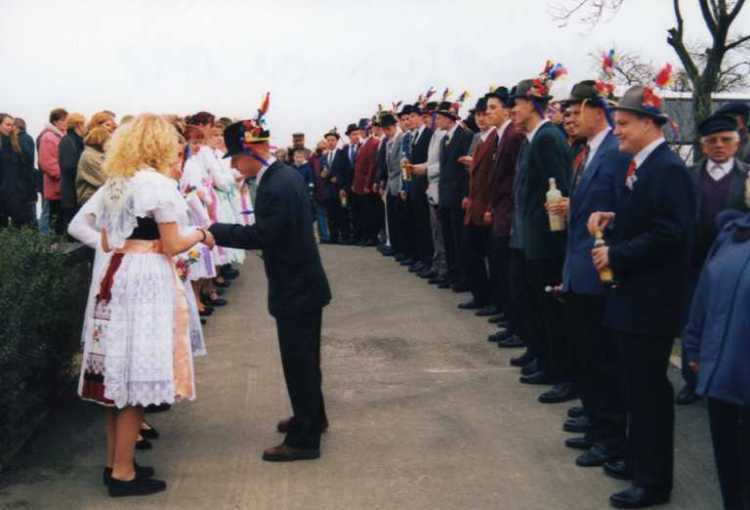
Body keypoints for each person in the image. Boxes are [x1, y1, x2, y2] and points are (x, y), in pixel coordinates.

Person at [76, 113, 209, 497]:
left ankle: (114, 462)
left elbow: (99, 238)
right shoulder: (158, 185)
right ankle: (123, 473)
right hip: (146, 280)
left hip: (114, 275)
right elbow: (172, 244)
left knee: (115, 371)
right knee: (136, 372)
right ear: (159, 144)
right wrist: (202, 233)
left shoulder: (117, 183)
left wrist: (126, 246)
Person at [589, 85, 696, 509]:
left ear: (650, 124)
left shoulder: (667, 169)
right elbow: (649, 220)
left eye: (624, 123)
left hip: (651, 303)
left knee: (649, 393)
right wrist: (615, 220)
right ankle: (640, 462)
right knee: (637, 387)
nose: (617, 130)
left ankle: (653, 482)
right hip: (635, 298)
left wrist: (616, 253)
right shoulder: (645, 165)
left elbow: (672, 233)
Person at [209, 114, 332, 462]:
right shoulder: (283, 175)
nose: (233, 165)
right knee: (306, 359)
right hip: (302, 281)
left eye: (236, 157)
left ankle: (304, 439)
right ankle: (313, 417)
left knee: (299, 362)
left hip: (296, 285)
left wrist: (214, 231)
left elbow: (264, 235)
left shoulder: (276, 184)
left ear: (253, 151)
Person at [557, 80, 628, 468]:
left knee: (603, 360)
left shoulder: (614, 153)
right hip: (578, 269)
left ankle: (610, 437)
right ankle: (597, 424)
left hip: (599, 272)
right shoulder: (587, 153)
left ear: (595, 111)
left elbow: (622, 210)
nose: (569, 118)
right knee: (586, 354)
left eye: (575, 111)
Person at [677, 113, 750, 406]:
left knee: (727, 322)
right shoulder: (688, 175)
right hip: (694, 262)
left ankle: (726, 378)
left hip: (732, 266)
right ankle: (691, 381)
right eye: (712, 141)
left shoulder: (747, 177)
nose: (719, 145)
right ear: (702, 145)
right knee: (692, 320)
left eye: (726, 140)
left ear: (737, 142)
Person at [510, 77, 574, 403]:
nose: (513, 110)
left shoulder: (548, 138)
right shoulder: (532, 138)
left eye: (517, 103)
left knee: (553, 312)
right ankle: (546, 361)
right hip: (532, 238)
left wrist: (554, 239)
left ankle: (560, 372)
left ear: (532, 104)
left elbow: (558, 190)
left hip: (549, 242)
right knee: (539, 307)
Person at [683, 210, 750, 510]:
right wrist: (694, 345)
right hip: (723, 376)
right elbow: (704, 293)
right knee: (730, 467)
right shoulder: (732, 234)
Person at [484, 87, 526, 348]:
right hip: (501, 211)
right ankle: (511, 323)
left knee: (512, 276)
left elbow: (513, 179)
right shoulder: (502, 135)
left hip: (509, 214)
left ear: (506, 110)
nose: (488, 113)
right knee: (504, 272)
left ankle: (517, 328)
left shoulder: (512, 135)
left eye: (493, 108)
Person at [459, 97, 495, 312]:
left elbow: (494, 176)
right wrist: (467, 195)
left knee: (488, 254)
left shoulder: (495, 138)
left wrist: (490, 206)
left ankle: (490, 299)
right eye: (478, 115)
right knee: (471, 252)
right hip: (474, 201)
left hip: (487, 204)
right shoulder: (477, 138)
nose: (481, 119)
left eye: (484, 114)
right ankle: (479, 295)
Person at [436, 100, 473, 293]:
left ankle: (463, 277)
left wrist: (466, 194)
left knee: (460, 240)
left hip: (458, 195)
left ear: (450, 119)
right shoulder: (444, 139)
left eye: (440, 117)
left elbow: (467, 170)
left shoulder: (465, 136)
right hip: (445, 195)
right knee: (449, 238)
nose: (437, 121)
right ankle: (452, 274)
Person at [405, 104, 434, 275]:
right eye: (408, 118)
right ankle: (422, 259)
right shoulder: (414, 136)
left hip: (425, 184)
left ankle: (429, 261)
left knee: (426, 225)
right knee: (419, 224)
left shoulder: (428, 134)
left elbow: (430, 160)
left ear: (421, 117)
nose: (409, 120)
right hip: (415, 184)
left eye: (412, 117)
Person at [0, 113, 36, 227]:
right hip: (3, 193)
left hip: (15, 194)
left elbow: (25, 169)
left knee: (20, 226)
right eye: (7, 124)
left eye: (12, 125)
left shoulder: (16, 144)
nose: (10, 128)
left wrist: (26, 190)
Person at [38, 108, 68, 234]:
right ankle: (49, 244)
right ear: (55, 121)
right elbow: (47, 163)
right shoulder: (48, 137)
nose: (66, 123)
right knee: (53, 220)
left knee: (60, 220)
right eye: (64, 120)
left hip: (62, 187)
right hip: (54, 186)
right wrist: (63, 176)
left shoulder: (60, 135)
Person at [58, 112, 86, 231]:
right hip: (71, 191)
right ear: (78, 125)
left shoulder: (79, 141)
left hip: (77, 190)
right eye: (84, 124)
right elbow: (68, 166)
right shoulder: (67, 141)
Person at [76, 126, 111, 206]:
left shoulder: (97, 154)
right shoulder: (89, 156)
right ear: (100, 140)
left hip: (98, 197)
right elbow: (104, 179)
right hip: (91, 199)